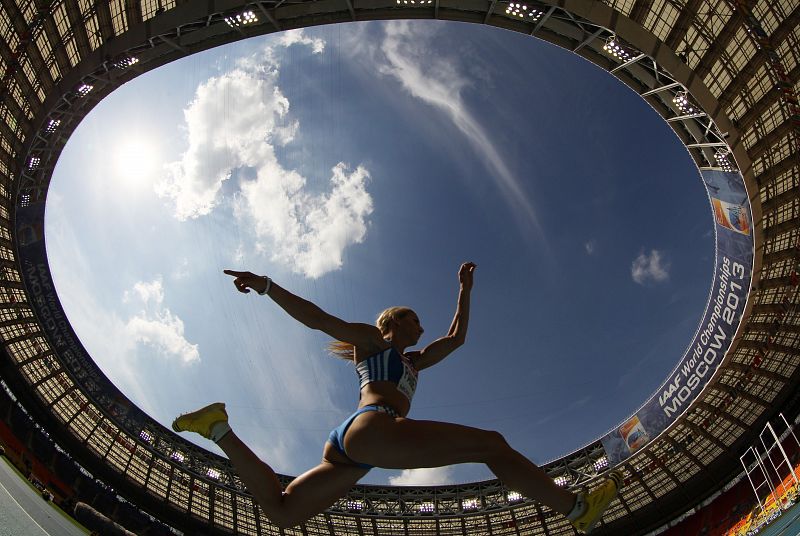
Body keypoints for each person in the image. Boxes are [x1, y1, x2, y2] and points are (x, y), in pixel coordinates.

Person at [172, 263, 621, 533]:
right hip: (375, 424)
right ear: (394, 323)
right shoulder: (374, 343)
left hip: (353, 445)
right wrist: (268, 286)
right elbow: (319, 319)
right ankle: (576, 509)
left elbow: (457, 338)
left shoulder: (414, 361)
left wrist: (465, 289)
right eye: (414, 320)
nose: (421, 328)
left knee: (283, 512)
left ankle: (219, 427)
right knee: (492, 444)